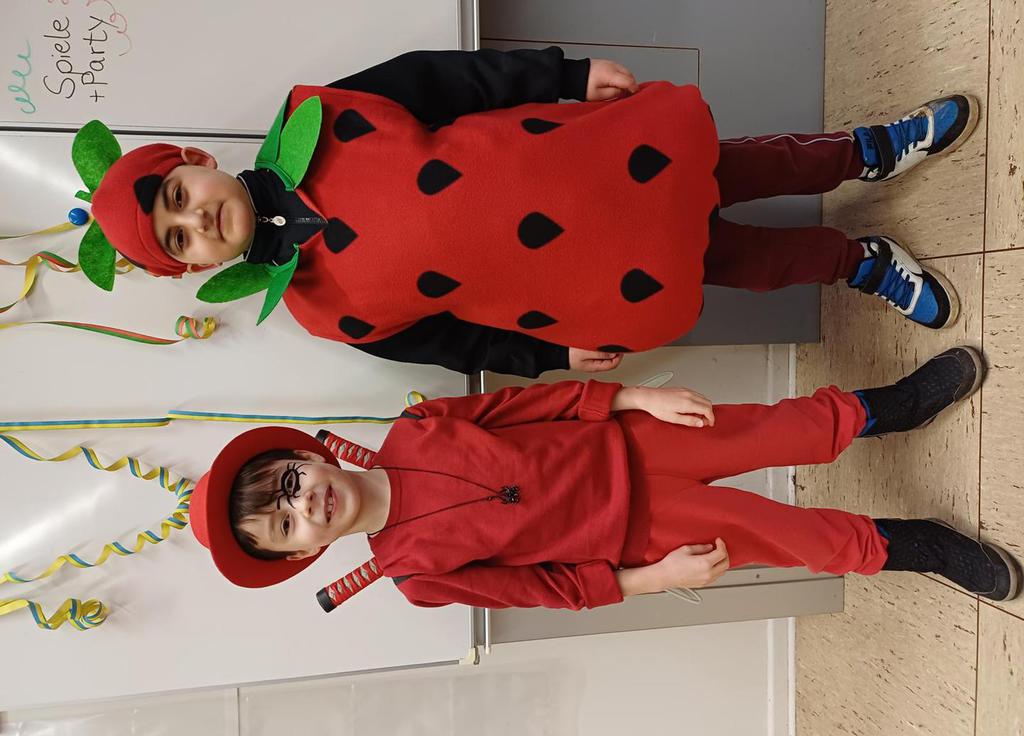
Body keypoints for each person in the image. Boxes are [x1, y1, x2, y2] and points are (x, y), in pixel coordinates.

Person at [74, 48, 976, 378]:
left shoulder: (323, 114)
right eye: (179, 242)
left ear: (194, 164)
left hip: (596, 165)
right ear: (195, 269)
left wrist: (564, 76)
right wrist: (547, 355)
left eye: (179, 199)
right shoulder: (325, 312)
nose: (197, 223)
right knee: (730, 260)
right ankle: (855, 262)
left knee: (739, 166)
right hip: (585, 277)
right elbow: (452, 344)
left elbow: (448, 82)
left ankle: (866, 150)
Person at [187, 346, 1019, 610]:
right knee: (790, 537)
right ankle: (918, 547)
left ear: (306, 456)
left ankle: (891, 407)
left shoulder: (417, 426)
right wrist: (657, 578)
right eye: (287, 526)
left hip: (635, 443)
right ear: (303, 554)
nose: (304, 506)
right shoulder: (415, 577)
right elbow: (543, 589)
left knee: (783, 426)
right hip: (639, 535)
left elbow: (527, 405)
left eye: (288, 484)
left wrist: (636, 397)